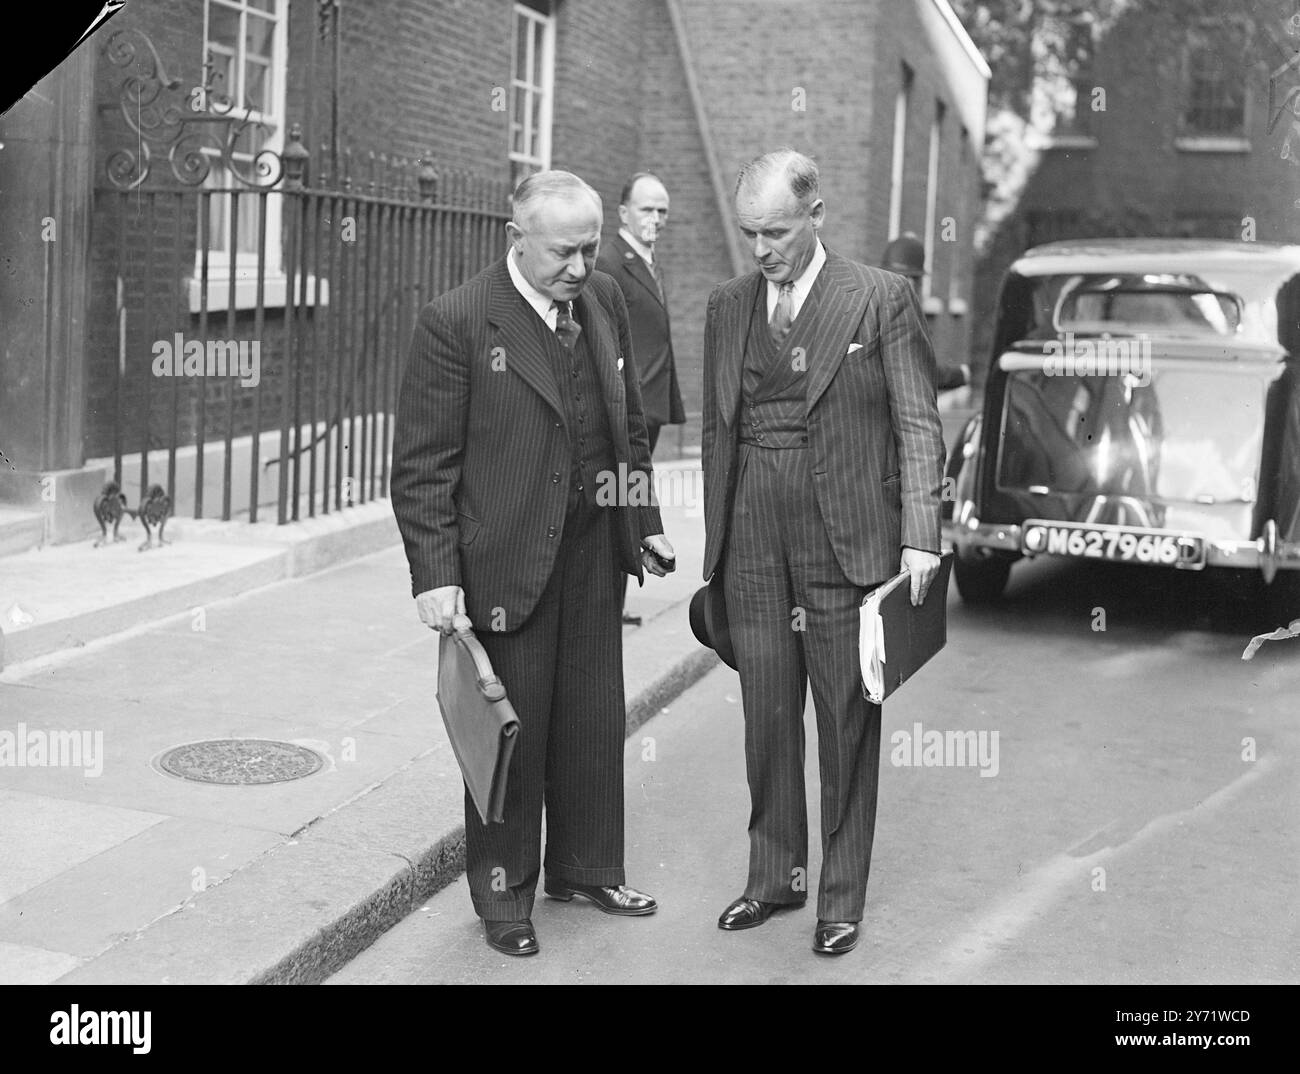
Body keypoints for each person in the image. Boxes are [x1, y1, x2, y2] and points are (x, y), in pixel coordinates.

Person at [391, 169, 676, 958]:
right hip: (505, 560)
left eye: (590, 249)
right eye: (564, 253)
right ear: (516, 240)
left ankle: (585, 868)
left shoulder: (605, 301)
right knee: (512, 737)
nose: (581, 268)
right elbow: (423, 465)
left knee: (590, 718)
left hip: (593, 553)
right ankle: (505, 894)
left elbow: (629, 426)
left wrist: (642, 518)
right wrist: (436, 572)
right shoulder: (457, 321)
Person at [700, 148, 945, 956]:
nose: (762, 249)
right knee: (768, 717)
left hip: (845, 542)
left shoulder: (879, 299)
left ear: (816, 214)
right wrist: (716, 551)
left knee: (845, 722)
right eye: (750, 234)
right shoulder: (728, 305)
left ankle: (839, 897)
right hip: (754, 547)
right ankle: (774, 880)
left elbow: (917, 422)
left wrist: (919, 537)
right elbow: (715, 434)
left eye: (775, 231)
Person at [596, 171, 686, 625]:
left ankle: (620, 599)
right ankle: (611, 602)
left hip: (649, 400)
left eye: (662, 210)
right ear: (623, 213)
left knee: (631, 500)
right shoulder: (611, 260)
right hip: (629, 404)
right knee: (621, 499)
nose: (656, 218)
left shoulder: (648, 259)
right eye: (647, 209)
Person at [880, 231, 970, 390]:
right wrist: (960, 375)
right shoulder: (900, 319)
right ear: (909, 281)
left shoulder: (871, 307)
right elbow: (915, 372)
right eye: (918, 281)